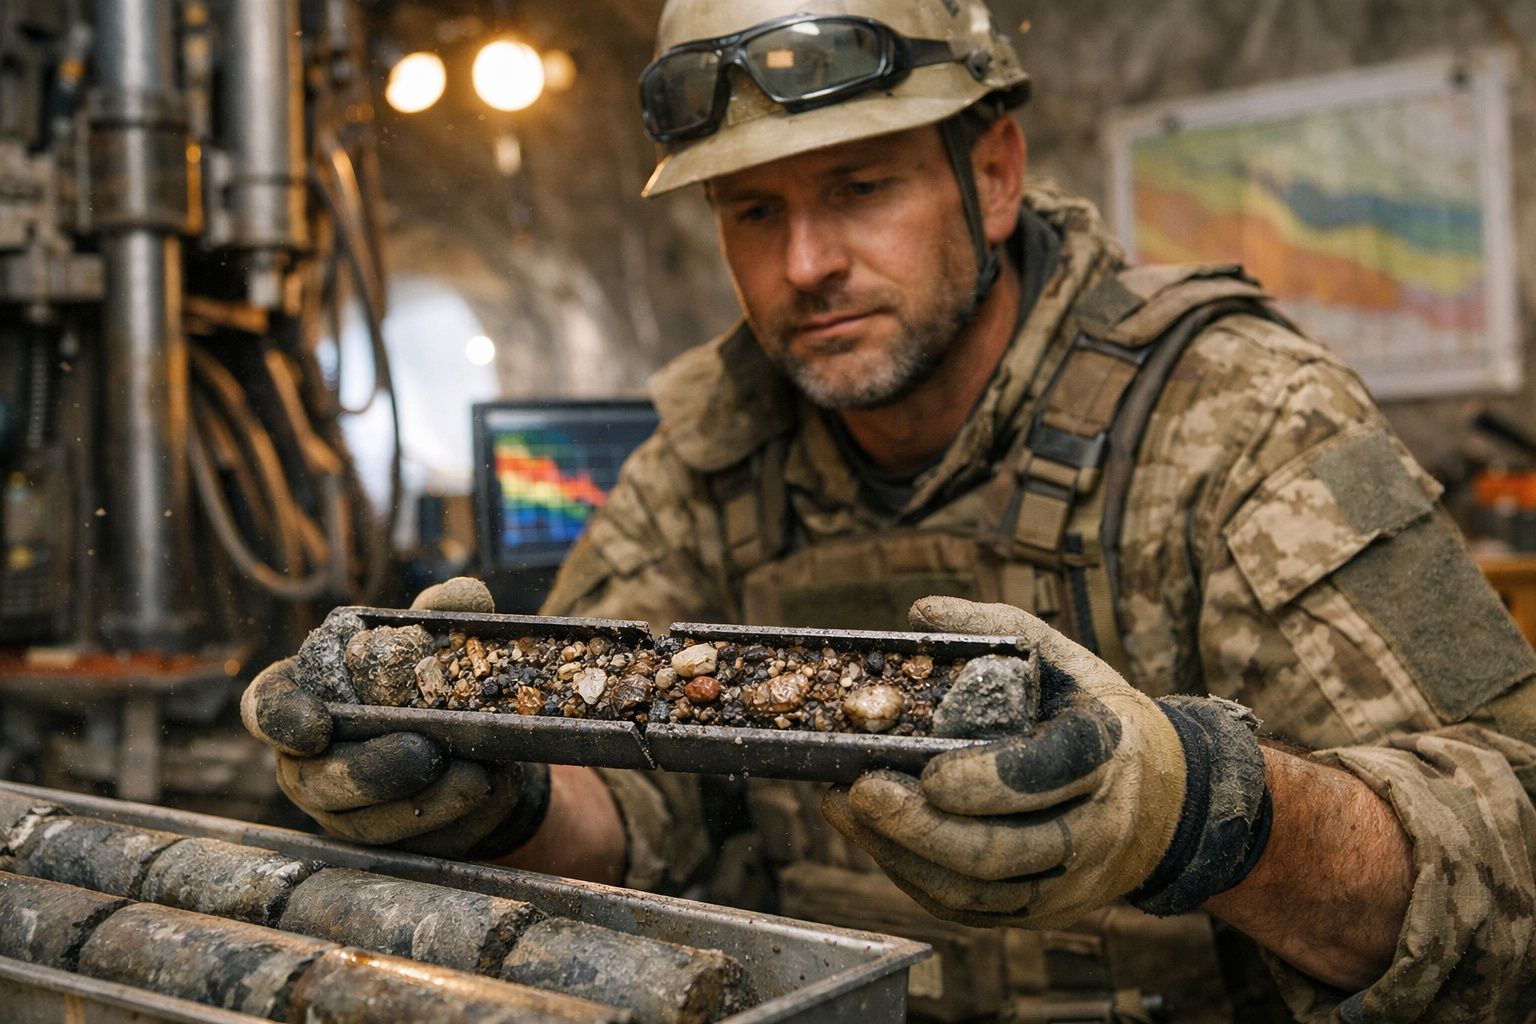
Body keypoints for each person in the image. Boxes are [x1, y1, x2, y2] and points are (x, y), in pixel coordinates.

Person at [242, 1, 1536, 1020]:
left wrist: (1198, 807)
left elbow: (1510, 840)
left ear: (993, 174)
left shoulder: (1232, 416)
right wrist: (493, 795)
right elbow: (629, 813)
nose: (806, 264)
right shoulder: (712, 456)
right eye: (755, 211)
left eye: (861, 187)